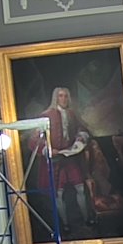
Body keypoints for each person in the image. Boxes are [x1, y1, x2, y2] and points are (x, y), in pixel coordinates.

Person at [32, 86, 99, 232]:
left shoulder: (72, 114)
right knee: (58, 192)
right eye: (60, 96)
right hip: (55, 160)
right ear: (55, 98)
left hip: (70, 157)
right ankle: (65, 224)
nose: (63, 99)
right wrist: (49, 150)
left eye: (66, 96)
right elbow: (35, 139)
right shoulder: (46, 116)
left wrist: (80, 140)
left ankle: (87, 219)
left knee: (80, 187)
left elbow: (82, 129)